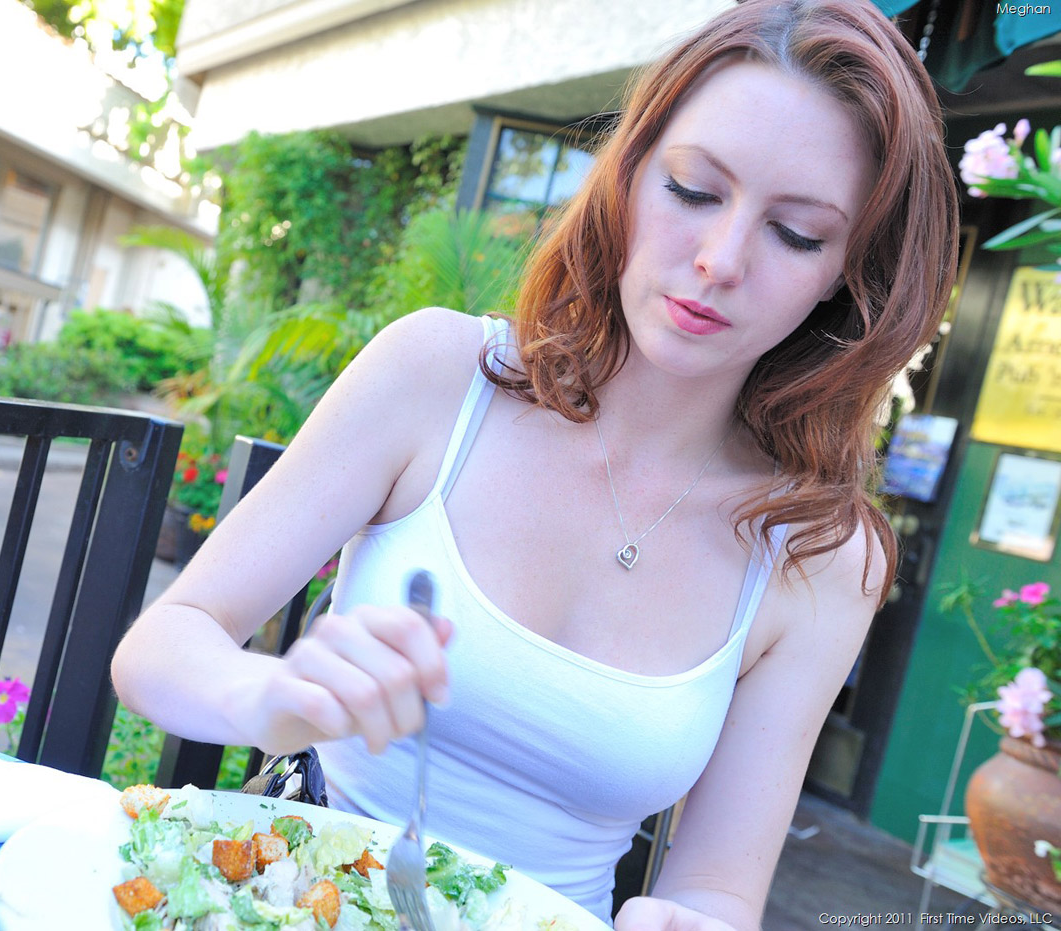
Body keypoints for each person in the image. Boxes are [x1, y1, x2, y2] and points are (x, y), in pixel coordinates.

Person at [111, 0, 959, 927]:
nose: (720, 260)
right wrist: (264, 695)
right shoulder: (439, 374)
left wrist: (692, 918)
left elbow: (716, 884)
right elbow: (162, 645)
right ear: (630, 175)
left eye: (797, 232)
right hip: (287, 896)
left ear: (849, 269)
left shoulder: (822, 557)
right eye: (692, 189)